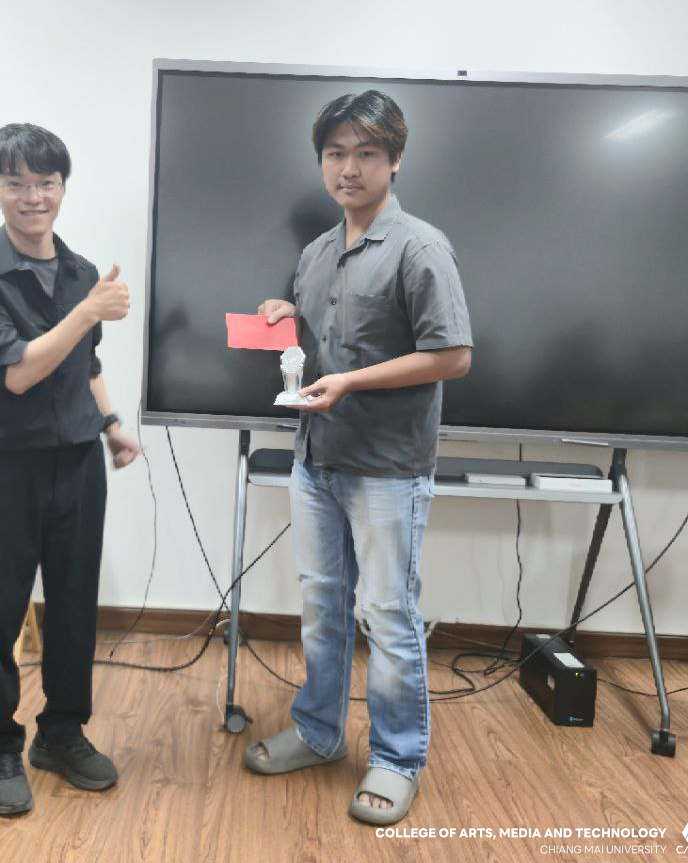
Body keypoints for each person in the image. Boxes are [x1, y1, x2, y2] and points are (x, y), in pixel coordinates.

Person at [244, 91, 473, 826]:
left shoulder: (420, 248)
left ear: (394, 159)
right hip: (317, 458)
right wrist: (289, 315)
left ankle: (397, 757)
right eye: (335, 153)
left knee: (387, 613)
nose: (349, 168)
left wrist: (350, 382)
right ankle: (318, 732)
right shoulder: (316, 253)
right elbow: (327, 340)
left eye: (366, 153)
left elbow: (453, 355)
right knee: (321, 607)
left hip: (387, 468)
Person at [0, 123, 141, 815]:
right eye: (17, 183)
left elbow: (84, 363)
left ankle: (61, 732)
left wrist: (112, 424)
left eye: (46, 182)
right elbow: (21, 373)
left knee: (75, 605)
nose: (34, 197)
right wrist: (88, 311)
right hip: (7, 465)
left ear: (63, 186)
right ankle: (1, 744)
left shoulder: (82, 272)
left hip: (78, 461)